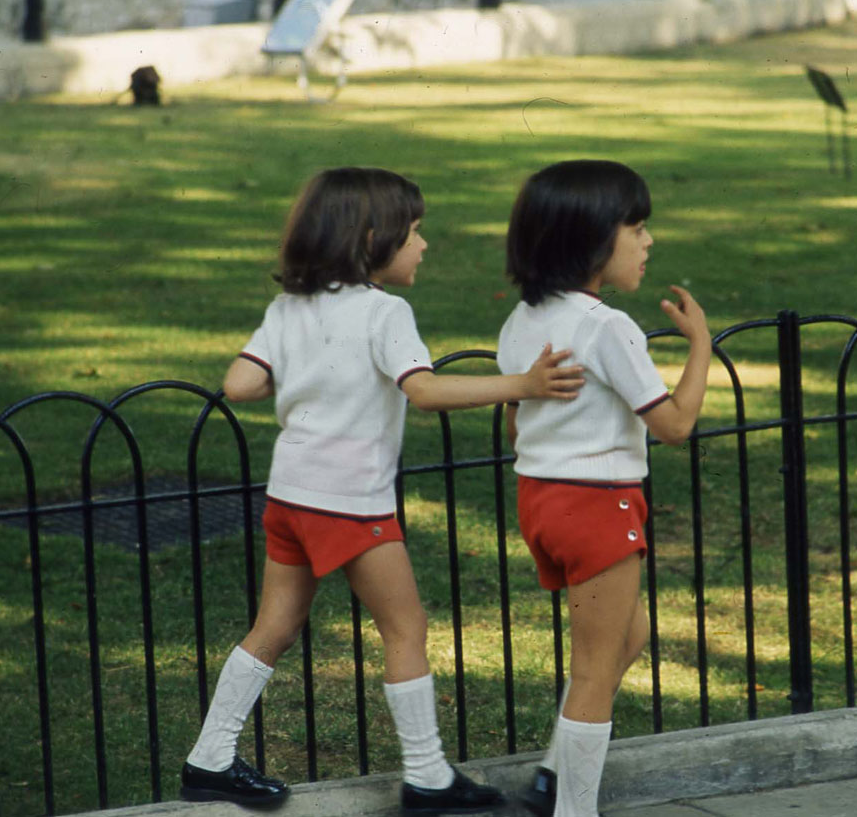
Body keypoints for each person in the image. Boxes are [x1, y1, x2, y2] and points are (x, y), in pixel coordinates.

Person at [179, 167, 585, 814]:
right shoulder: (384, 311)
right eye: (415, 232)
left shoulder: (288, 308)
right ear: (373, 237)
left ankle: (209, 757)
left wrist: (299, 369)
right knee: (406, 626)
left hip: (290, 497)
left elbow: (240, 384)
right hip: (350, 502)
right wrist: (524, 386)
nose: (424, 245)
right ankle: (427, 776)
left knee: (274, 626)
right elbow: (422, 391)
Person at [496, 160, 711, 817]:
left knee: (628, 634)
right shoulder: (608, 326)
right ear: (591, 238)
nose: (648, 242)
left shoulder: (520, 321)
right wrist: (698, 344)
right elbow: (673, 424)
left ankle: (553, 771)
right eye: (637, 228)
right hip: (599, 504)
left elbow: (515, 421)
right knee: (594, 670)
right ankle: (572, 806)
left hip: (542, 500)